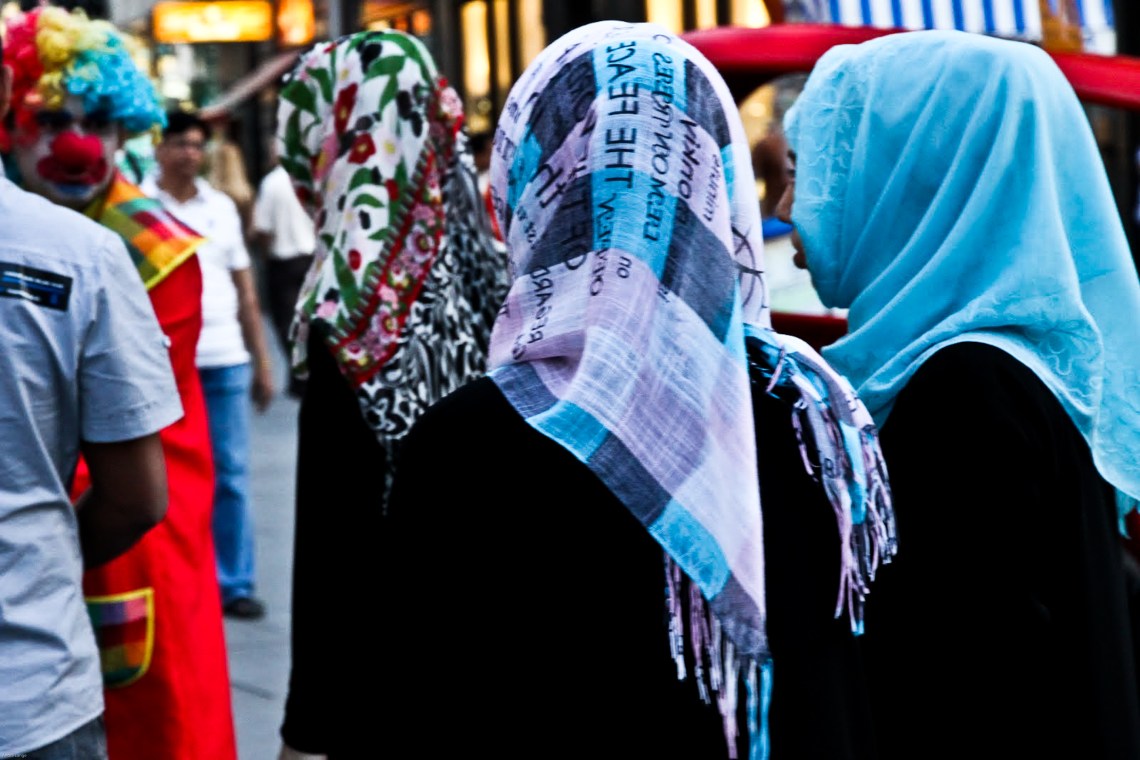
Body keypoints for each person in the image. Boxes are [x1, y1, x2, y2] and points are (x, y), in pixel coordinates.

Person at [378, 21, 897, 759]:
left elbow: (419, 708)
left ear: (527, 183)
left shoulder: (467, 443)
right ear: (715, 173)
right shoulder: (814, 410)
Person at [777, 29, 1140, 759]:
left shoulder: (966, 391)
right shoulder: (1024, 363)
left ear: (908, 175)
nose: (787, 206)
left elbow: (969, 690)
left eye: (809, 171)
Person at [0, 7, 240, 760]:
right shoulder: (64, 241)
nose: (74, 144)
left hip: (134, 536)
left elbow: (136, 457)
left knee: (158, 714)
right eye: (49, 119)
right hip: (71, 540)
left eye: (97, 123)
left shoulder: (147, 249)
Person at [271, 29, 511, 759]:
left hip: (391, 684)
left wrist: (304, 730)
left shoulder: (349, 309)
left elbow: (333, 555)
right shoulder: (499, 269)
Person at [143, 110, 276, 620]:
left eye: (197, 145)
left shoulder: (220, 208)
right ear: (160, 148)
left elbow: (245, 290)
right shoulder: (139, 207)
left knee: (231, 474)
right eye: (179, 144)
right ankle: (175, 579)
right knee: (165, 477)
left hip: (223, 359)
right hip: (162, 362)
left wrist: (262, 362)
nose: (189, 154)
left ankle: (234, 582)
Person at [250, 135, 316, 399]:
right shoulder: (309, 179)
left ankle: (301, 374)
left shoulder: (272, 183)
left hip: (285, 262)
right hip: (310, 259)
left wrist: (266, 257)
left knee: (287, 323)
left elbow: (262, 228)